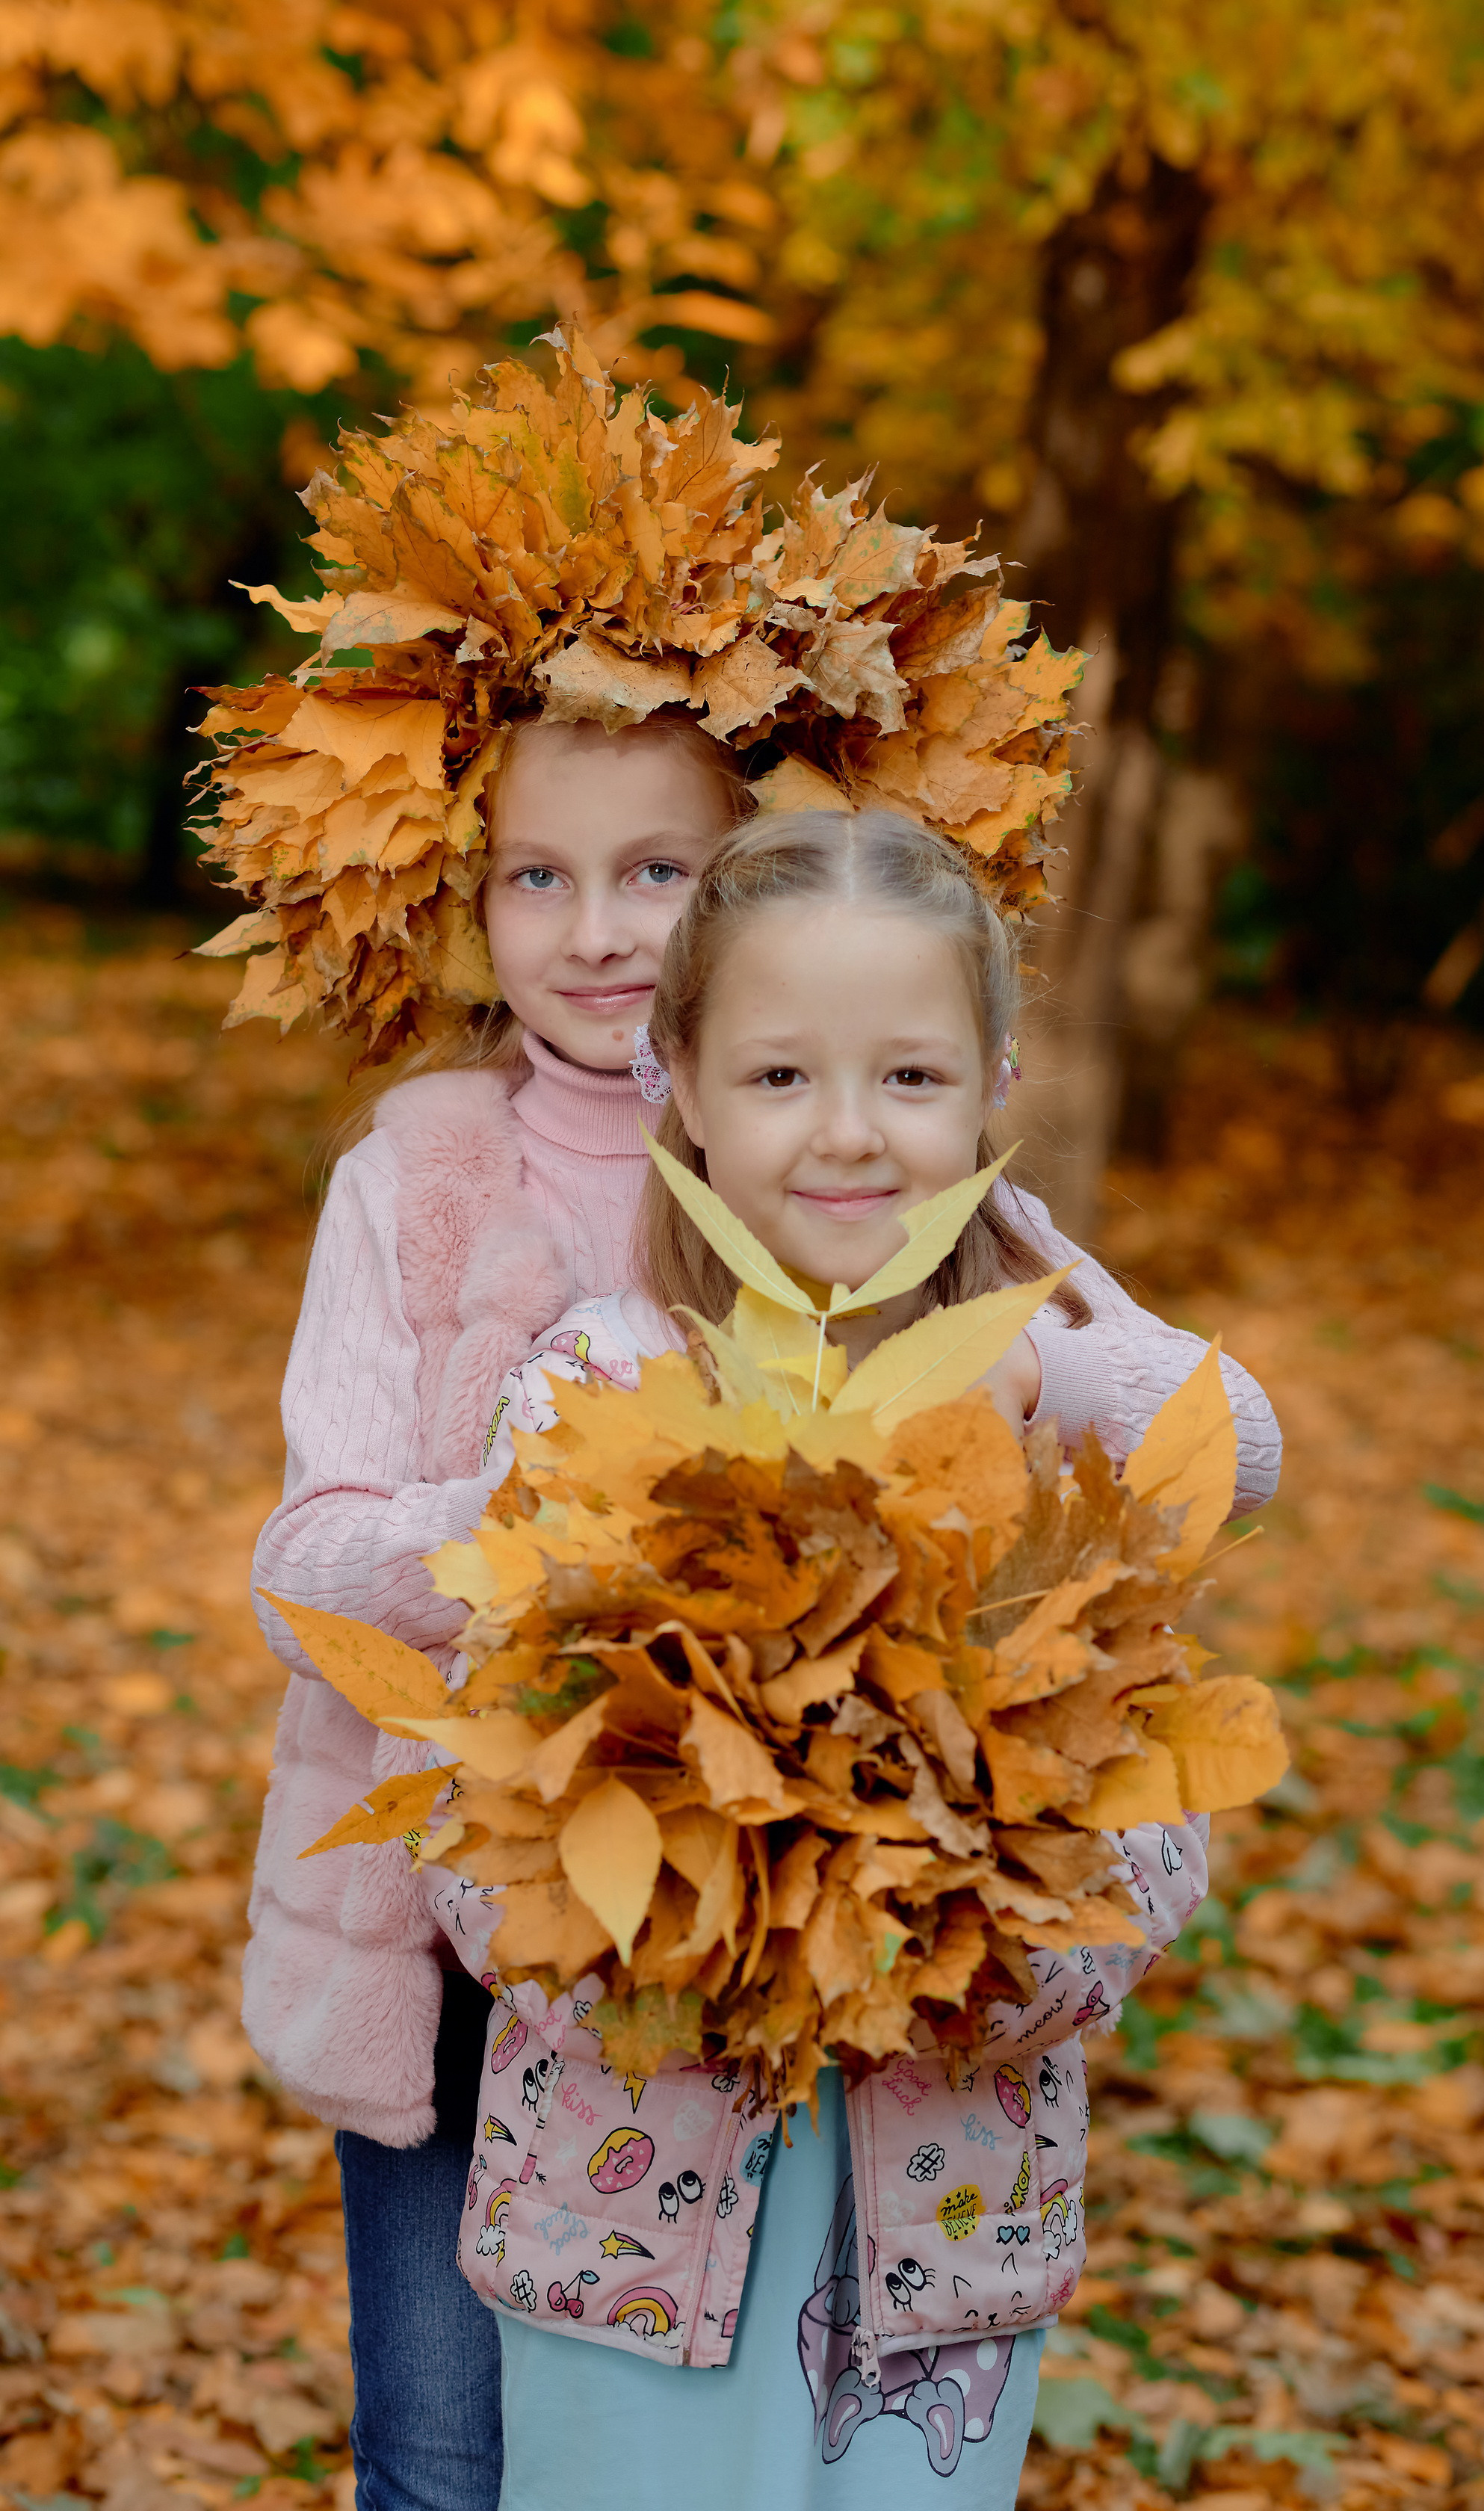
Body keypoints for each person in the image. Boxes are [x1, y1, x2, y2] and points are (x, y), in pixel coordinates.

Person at [205, 330, 1281, 2511]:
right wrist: (570, 1541)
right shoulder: (427, 1172)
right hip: (469, 1923)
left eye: (665, 877)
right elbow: (311, 1552)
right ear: (462, 888)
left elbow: (1204, 1449)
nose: (599, 932)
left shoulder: (929, 1187)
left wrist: (1039, 1316)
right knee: (448, 2447)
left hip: (819, 1998)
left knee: (780, 2427)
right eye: (537, 877)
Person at [436, 809, 1264, 2511]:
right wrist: (680, 1937)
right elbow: (480, 1810)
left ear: (989, 1083)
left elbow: (1149, 1819)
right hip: (630, 2208)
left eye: (906, 1078)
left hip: (943, 2235)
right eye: (778, 1077)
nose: (846, 1137)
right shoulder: (594, 1391)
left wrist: (980, 1948)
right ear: (675, 1076)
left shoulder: (1039, 1412)